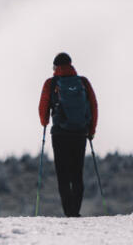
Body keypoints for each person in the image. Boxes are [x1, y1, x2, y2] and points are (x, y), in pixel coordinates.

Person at [38, 52, 98, 217]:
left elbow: (43, 107)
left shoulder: (51, 83)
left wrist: (45, 122)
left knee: (63, 174)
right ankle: (75, 211)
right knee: (77, 173)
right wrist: (91, 131)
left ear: (55, 67)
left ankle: (69, 212)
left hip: (59, 134)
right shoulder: (83, 82)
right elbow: (93, 106)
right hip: (80, 133)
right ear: (71, 64)